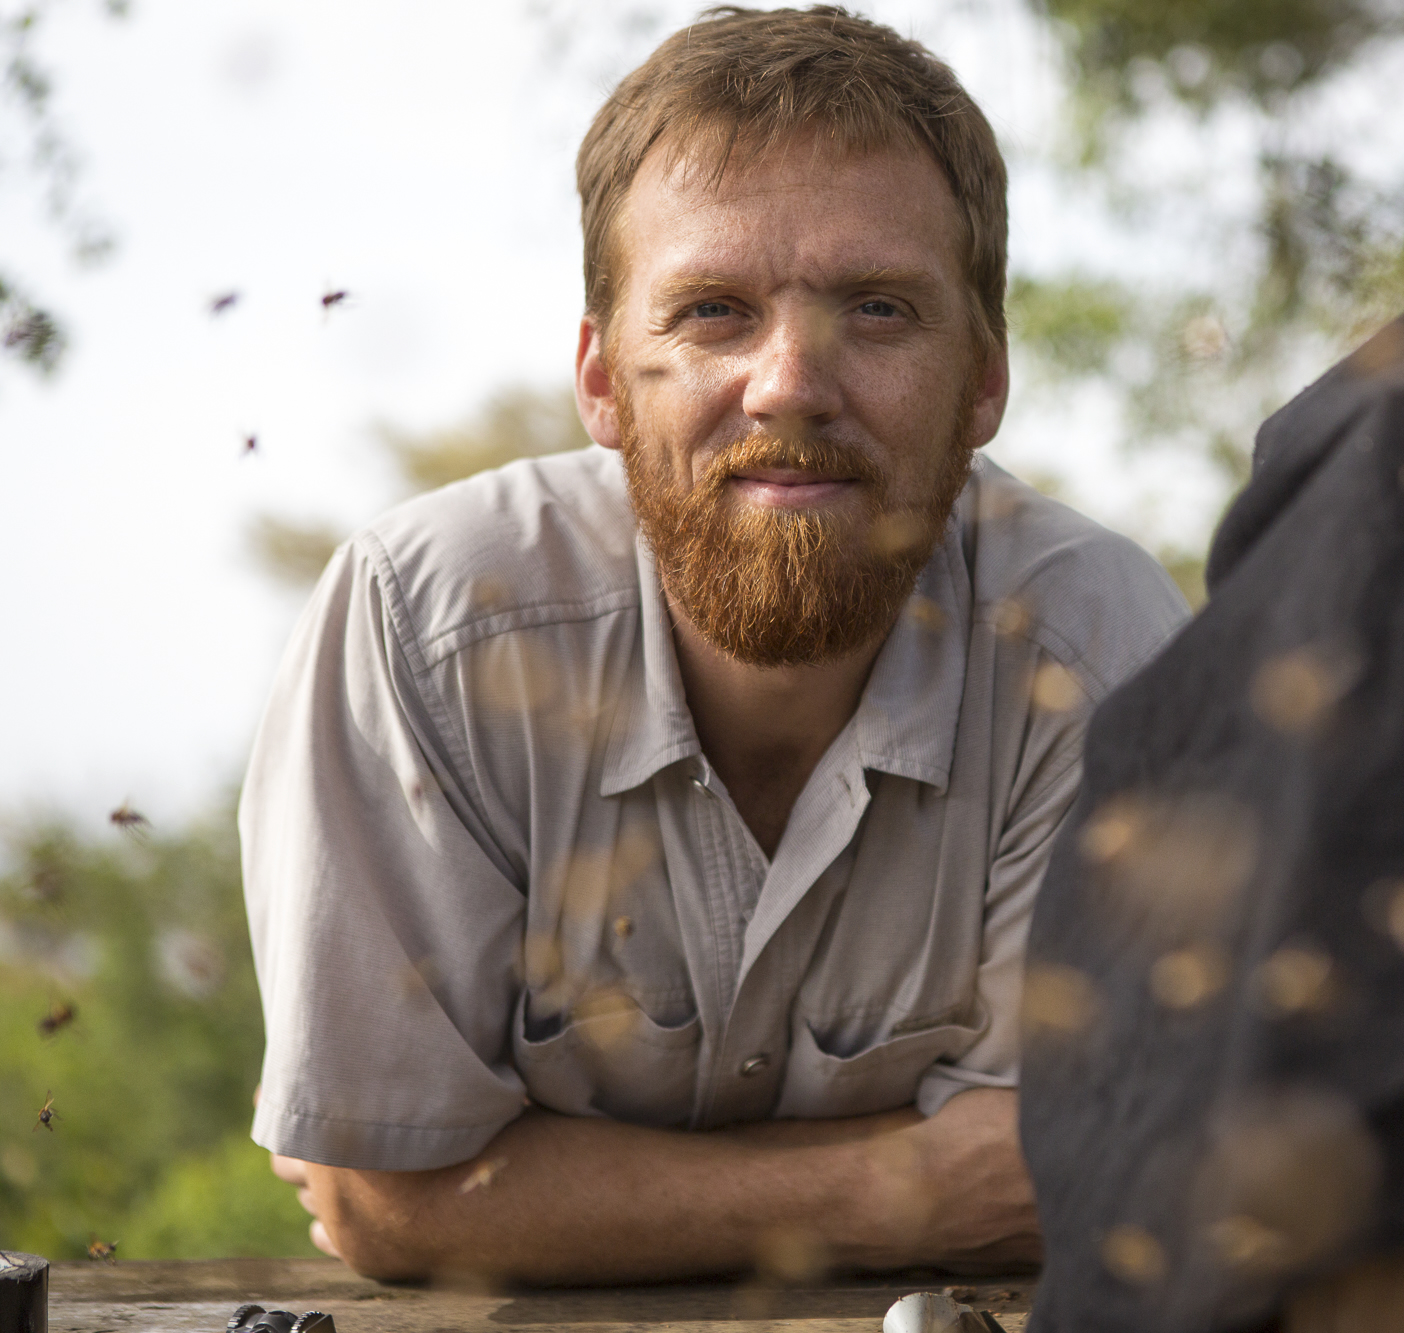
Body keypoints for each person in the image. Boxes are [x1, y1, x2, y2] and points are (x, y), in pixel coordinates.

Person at [241, 5, 1188, 1285]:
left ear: (983, 381)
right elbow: (391, 1200)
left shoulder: (1094, 651)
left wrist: (532, 1188)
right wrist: (905, 1183)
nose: (791, 381)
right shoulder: (424, 626)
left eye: (878, 307)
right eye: (712, 311)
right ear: (599, 382)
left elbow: (1081, 1175)